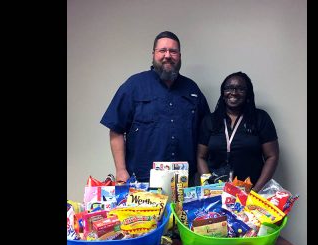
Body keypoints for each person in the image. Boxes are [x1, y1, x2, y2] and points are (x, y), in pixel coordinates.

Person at [100, 31, 210, 183]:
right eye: (162, 50)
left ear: (179, 55)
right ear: (153, 54)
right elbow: (116, 130)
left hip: (184, 182)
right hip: (143, 182)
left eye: (173, 51)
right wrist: (121, 170)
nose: (168, 55)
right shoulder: (134, 86)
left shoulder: (192, 89)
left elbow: (205, 134)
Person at [197, 72, 279, 192]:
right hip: (217, 194)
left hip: (251, 191)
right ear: (223, 92)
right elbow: (201, 156)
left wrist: (255, 191)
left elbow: (272, 156)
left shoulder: (260, 118)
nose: (234, 92)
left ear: (248, 93)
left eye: (240, 89)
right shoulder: (210, 120)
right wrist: (209, 187)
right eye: (229, 88)